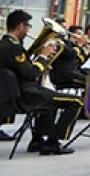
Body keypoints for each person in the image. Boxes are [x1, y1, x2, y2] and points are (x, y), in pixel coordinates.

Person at [0, 10, 81, 155]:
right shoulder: (13, 47)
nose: (28, 30)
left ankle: (38, 140)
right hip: (26, 94)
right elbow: (31, 74)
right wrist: (43, 56)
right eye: (28, 26)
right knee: (77, 102)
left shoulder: (6, 44)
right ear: (20, 26)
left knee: (51, 103)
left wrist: (40, 63)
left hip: (24, 90)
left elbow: (24, 69)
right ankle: (53, 141)